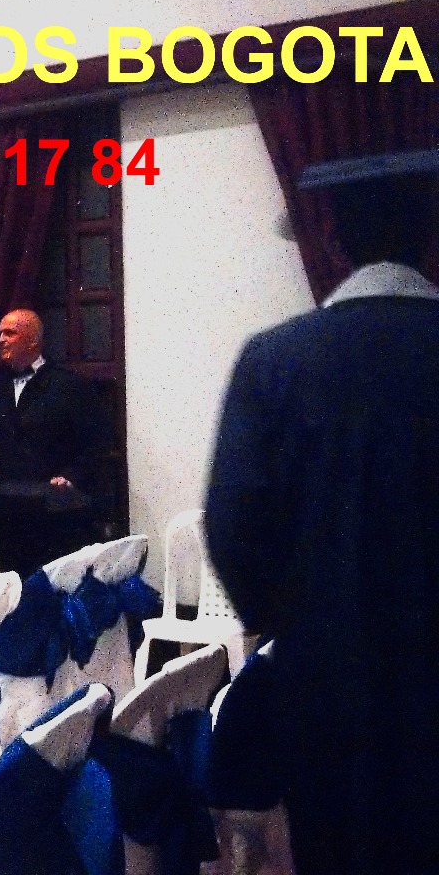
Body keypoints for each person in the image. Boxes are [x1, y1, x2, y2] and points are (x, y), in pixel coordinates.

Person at [205, 149, 439, 875]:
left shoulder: (275, 362)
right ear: (429, 236)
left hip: (326, 678)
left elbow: (232, 525)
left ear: (333, 243)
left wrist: (294, 622)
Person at [0, 308, 108, 573]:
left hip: (55, 512)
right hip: (8, 509)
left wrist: (71, 476)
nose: (0, 340)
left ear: (33, 340)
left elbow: (94, 442)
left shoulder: (68, 385)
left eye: (10, 333)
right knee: (15, 582)